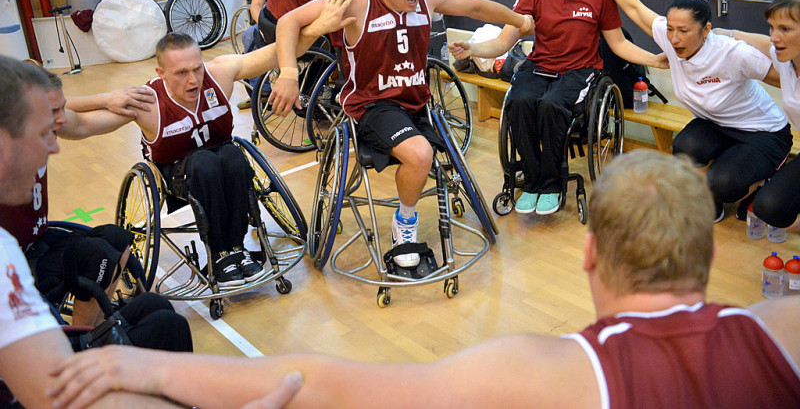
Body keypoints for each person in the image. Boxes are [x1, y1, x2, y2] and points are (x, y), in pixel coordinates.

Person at [44, 150, 800, 409]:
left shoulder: (547, 371)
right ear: (705, 250)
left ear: (590, 253)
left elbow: (326, 382)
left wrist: (135, 360)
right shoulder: (784, 332)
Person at [52, 0, 353, 288]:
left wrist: (320, 26)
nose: (193, 79)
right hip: (178, 176)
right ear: (161, 73)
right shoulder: (148, 101)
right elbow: (79, 126)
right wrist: (100, 97)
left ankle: (236, 248)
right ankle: (220, 253)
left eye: (196, 68)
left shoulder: (219, 73)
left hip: (224, 162)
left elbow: (277, 51)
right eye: (181, 73)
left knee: (233, 156)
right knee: (205, 162)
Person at [272, 0, 534, 268]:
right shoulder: (355, 1)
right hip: (372, 106)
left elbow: (476, 8)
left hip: (415, 103)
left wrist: (519, 21)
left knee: (423, 149)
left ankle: (408, 203)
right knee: (421, 154)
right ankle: (405, 223)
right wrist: (287, 74)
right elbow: (287, 22)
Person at [448, 0, 668, 216]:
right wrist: (473, 49)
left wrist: (654, 59)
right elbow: (503, 42)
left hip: (581, 70)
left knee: (553, 105)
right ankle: (532, 182)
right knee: (520, 100)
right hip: (540, 66)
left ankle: (551, 185)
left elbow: (617, 44)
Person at [580, 0, 792, 222]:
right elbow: (634, 7)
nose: (674, 38)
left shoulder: (732, 53)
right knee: (685, 145)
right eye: (670, 29)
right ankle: (711, 201)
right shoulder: (670, 40)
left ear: (706, 31)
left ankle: (756, 183)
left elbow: (785, 78)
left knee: (725, 183)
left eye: (683, 31)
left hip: (763, 132)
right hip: (716, 124)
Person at [0, 70, 192, 355]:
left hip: (39, 241)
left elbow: (83, 122)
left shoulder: (41, 124)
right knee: (100, 256)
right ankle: (81, 348)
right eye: (53, 113)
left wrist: (154, 108)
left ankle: (90, 335)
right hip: (18, 263)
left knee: (116, 239)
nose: (55, 145)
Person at [714, 0, 800, 228]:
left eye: (784, 29)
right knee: (769, 208)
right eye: (772, 28)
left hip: (772, 134)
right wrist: (726, 33)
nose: (774, 37)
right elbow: (762, 43)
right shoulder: (788, 60)